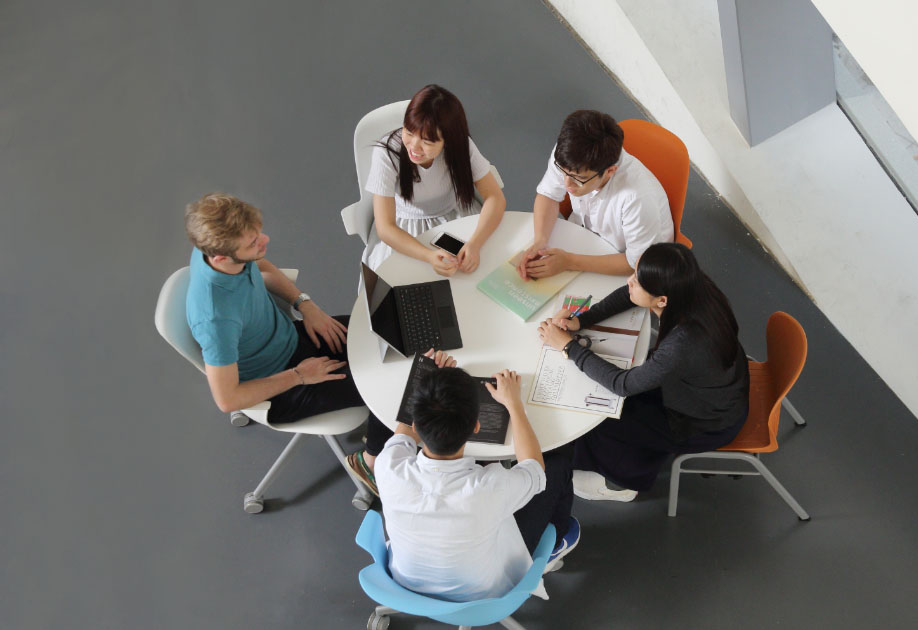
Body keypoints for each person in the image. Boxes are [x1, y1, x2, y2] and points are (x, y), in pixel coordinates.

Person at [184, 192, 389, 495]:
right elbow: (227, 400)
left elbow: (262, 266)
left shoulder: (222, 251)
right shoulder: (216, 319)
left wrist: (305, 305)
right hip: (282, 386)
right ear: (221, 258)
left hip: (291, 338)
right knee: (387, 387)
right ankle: (369, 463)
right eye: (253, 242)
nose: (264, 241)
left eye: (258, 232)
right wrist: (300, 376)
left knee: (381, 328)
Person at [536, 242, 749, 501]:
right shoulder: (692, 287)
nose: (629, 281)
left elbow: (621, 384)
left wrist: (567, 346)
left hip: (703, 422)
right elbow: (631, 293)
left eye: (637, 281)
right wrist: (582, 320)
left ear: (661, 300)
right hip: (717, 388)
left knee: (602, 420)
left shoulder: (682, 344)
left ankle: (624, 484)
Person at [374, 351, 579, 602]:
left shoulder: (388, 467)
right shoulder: (489, 488)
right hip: (484, 593)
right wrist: (514, 404)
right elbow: (534, 468)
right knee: (557, 464)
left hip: (406, 584)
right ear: (476, 427)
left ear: (416, 425)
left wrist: (428, 382)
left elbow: (403, 434)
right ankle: (555, 544)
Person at [364, 84, 506, 274]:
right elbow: (385, 228)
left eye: (427, 141)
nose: (414, 146)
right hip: (404, 228)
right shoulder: (387, 152)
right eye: (408, 132)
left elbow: (495, 197)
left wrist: (475, 244)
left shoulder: (461, 146)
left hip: (457, 216)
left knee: (484, 271)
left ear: (448, 140)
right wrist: (428, 256)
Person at [517, 110, 673, 280]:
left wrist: (570, 262)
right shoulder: (569, 157)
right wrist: (540, 240)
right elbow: (549, 195)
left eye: (579, 179)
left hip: (627, 263)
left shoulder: (637, 198)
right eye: (563, 172)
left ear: (609, 171)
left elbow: (636, 262)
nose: (567, 183)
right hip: (585, 236)